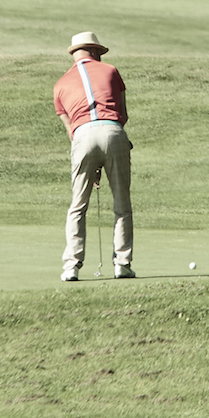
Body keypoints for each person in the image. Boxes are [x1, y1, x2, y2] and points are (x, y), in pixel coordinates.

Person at [52, 31, 133, 281]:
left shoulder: (60, 84)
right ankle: (122, 264)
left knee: (78, 205)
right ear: (96, 51)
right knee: (121, 204)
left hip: (82, 136)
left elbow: (72, 131)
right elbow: (123, 113)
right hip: (113, 131)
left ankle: (71, 267)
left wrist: (93, 165)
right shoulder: (110, 70)